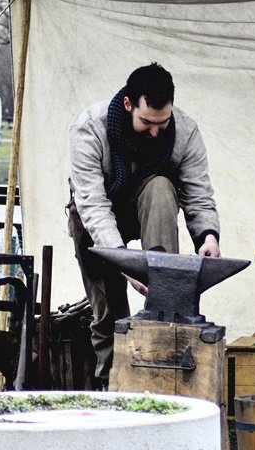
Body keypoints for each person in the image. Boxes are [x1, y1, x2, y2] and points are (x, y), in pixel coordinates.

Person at [67, 62, 221, 386]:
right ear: (128, 104)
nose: (155, 132)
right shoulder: (89, 128)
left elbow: (198, 193)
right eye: (147, 122)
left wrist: (207, 235)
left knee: (163, 187)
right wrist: (125, 262)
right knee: (109, 315)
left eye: (162, 123)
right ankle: (110, 388)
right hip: (94, 222)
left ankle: (169, 363)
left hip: (150, 206)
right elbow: (92, 205)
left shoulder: (185, 131)